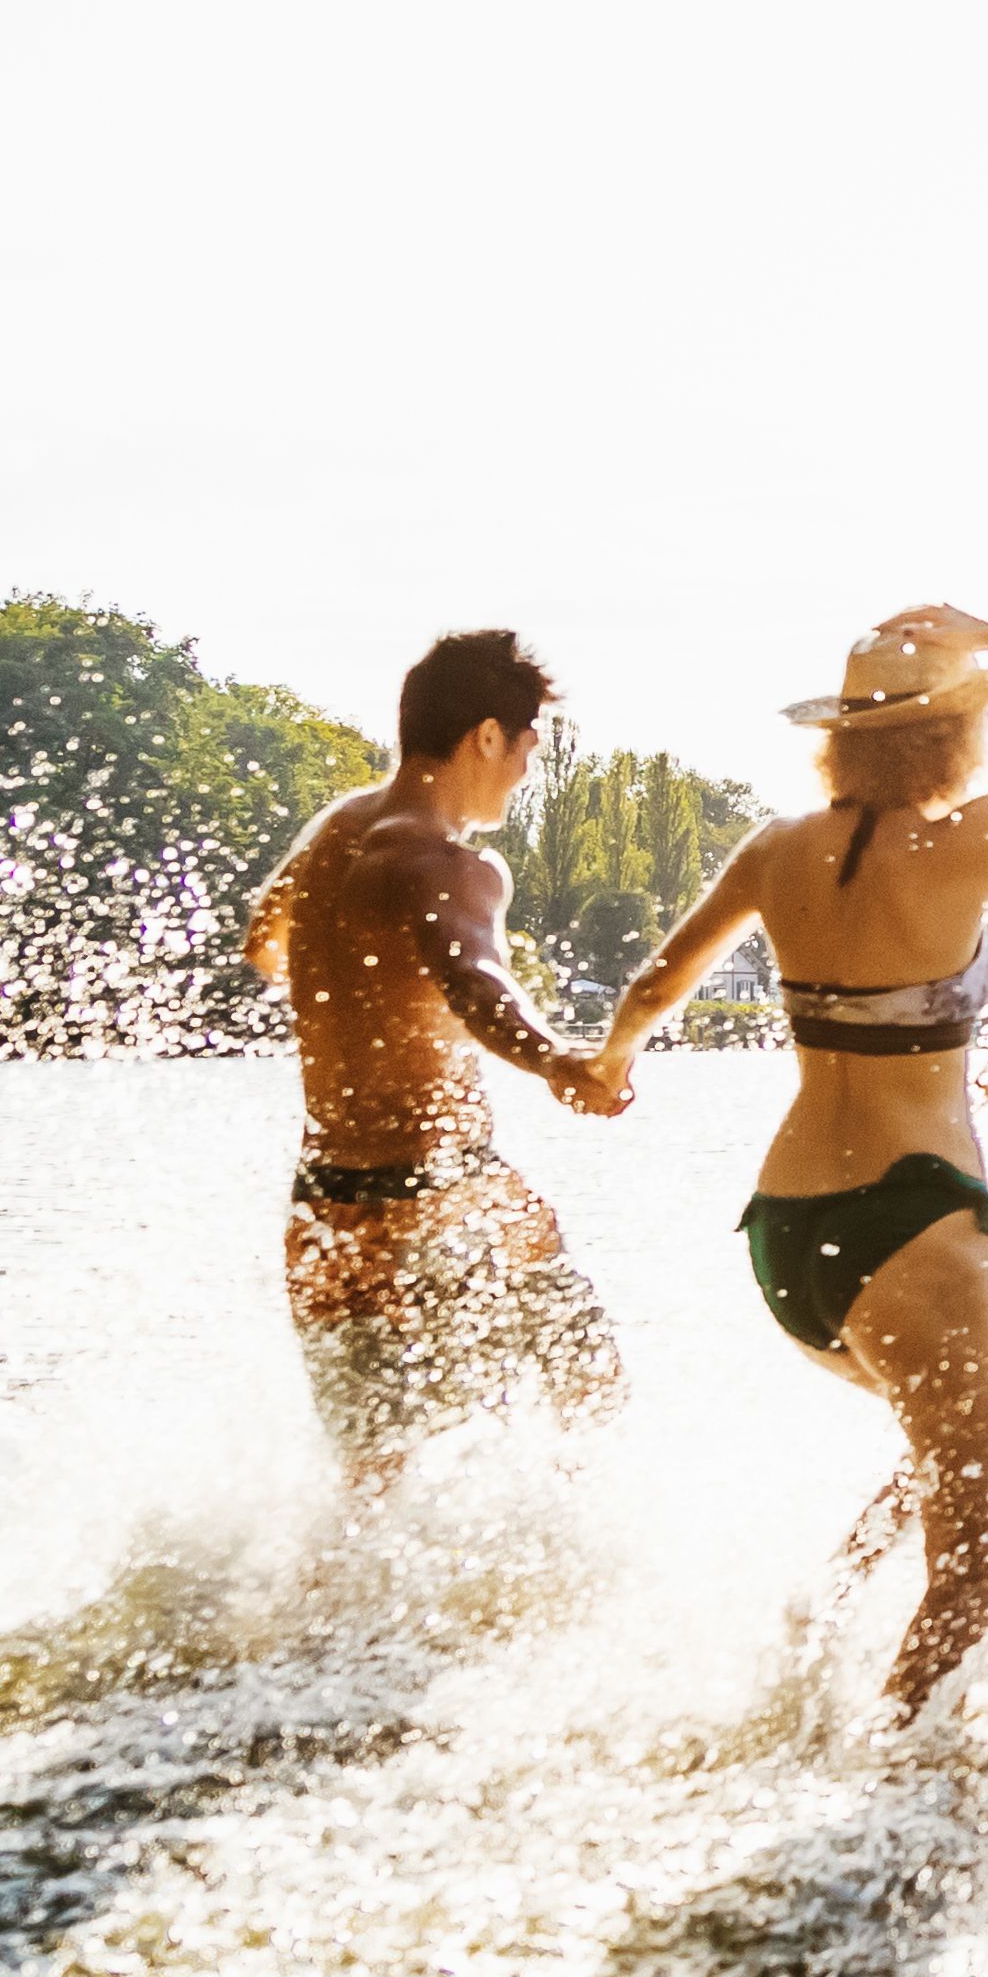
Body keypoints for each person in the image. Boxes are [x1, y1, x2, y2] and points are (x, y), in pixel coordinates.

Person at [597, 609, 988, 1719]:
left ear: (843, 741)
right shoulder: (964, 844)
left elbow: (655, 988)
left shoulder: (774, 850)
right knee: (974, 1565)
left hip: (785, 1232)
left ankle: (813, 1632)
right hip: (914, 1221)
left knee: (986, 1416)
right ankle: (898, 1776)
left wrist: (606, 1066)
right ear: (952, 738)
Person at [241, 626, 629, 1485]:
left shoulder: (339, 829)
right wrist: (558, 1061)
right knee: (589, 1390)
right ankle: (574, 1561)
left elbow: (263, 943)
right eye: (527, 748)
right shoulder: (448, 864)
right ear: (487, 736)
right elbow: (477, 984)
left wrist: (359, 995)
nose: (525, 772)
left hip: (326, 1206)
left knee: (373, 1479)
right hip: (443, 1194)